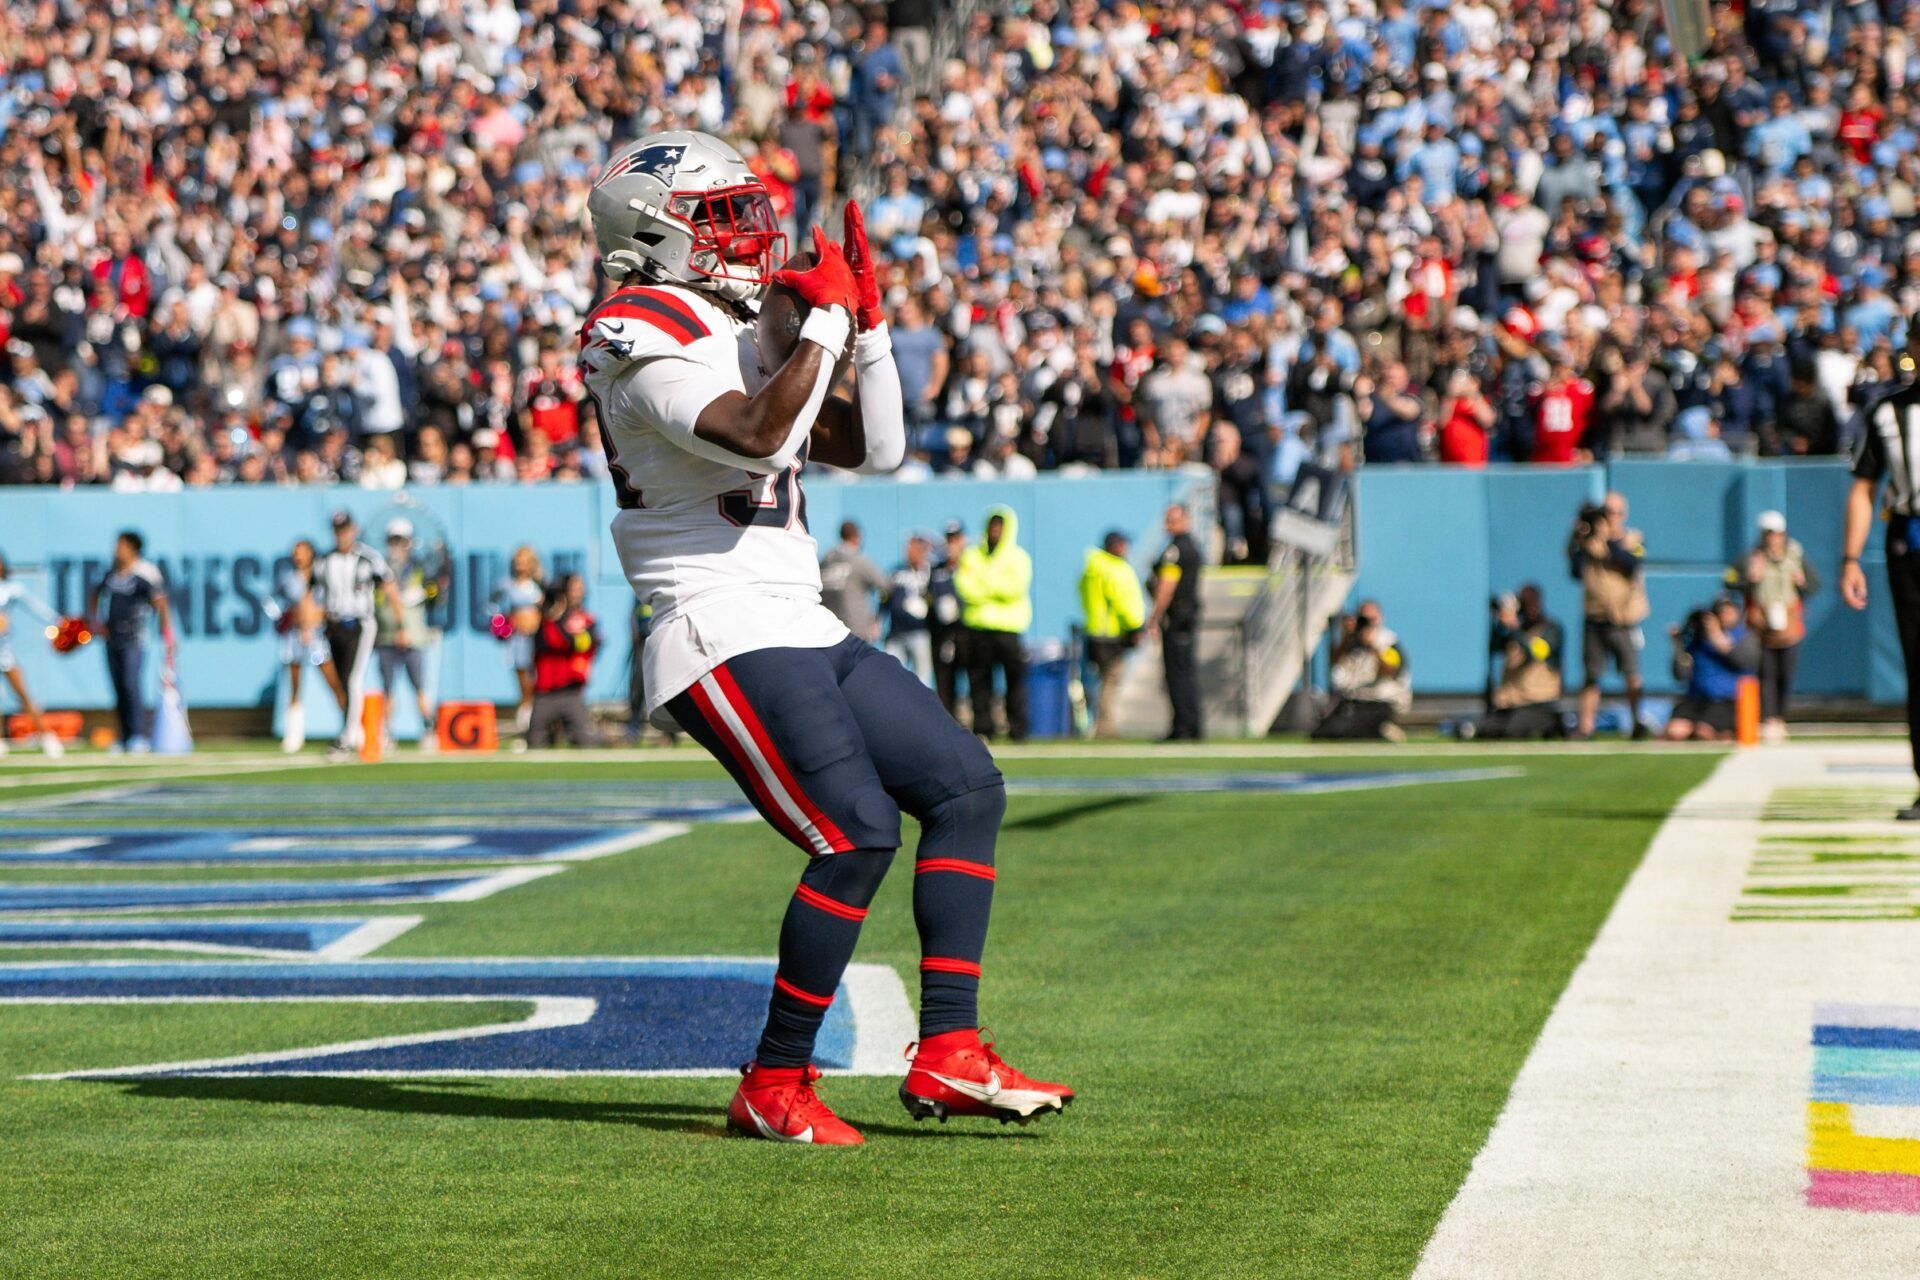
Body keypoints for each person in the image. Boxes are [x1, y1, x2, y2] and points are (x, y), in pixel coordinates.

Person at [579, 137, 1069, 1144]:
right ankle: (775, 1078)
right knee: (851, 831)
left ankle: (951, 1049)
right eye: (721, 219)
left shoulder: (734, 322)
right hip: (714, 623)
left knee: (965, 785)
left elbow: (874, 447)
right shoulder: (634, 324)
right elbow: (758, 432)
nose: (749, 239)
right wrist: (826, 325)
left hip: (795, 614)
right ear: (655, 232)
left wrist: (869, 334)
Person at [1843, 365, 1920, 815]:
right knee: (1918, 664)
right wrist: (1851, 558)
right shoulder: (1890, 411)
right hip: (1910, 544)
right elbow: (1863, 487)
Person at [314, 511, 404, 759]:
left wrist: (400, 623)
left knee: (353, 680)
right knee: (342, 682)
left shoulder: (368, 558)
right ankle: (360, 730)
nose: (341, 535)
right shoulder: (324, 560)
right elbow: (314, 595)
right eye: (337, 530)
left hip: (359, 624)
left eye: (345, 529)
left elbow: (389, 585)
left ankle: (346, 738)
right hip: (332, 626)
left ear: (354, 529)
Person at [1569, 492, 1650, 739]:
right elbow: (1575, 570)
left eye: (1615, 513)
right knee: (1592, 674)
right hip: (1595, 617)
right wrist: (1578, 536)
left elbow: (1629, 563)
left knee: (1631, 674)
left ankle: (1637, 721)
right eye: (1606, 512)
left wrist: (1611, 538)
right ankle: (1586, 726)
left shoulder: (1632, 537)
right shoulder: (1590, 543)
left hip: (1623, 619)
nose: (1610, 518)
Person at [86, 530, 175, 753]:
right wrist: (95, 622)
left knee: (130, 684)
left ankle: (138, 735)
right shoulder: (112, 572)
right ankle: (124, 736)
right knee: (118, 687)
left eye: (121, 545)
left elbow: (161, 603)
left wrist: (168, 635)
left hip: (135, 638)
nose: (116, 549)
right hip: (112, 637)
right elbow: (95, 594)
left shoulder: (146, 572)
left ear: (132, 548)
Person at [954, 505, 1033, 741]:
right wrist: (992, 589)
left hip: (1008, 629)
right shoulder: (972, 555)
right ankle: (983, 727)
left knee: (1014, 682)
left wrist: (984, 587)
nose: (995, 531)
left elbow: (1014, 589)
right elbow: (965, 587)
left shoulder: (1018, 557)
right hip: (978, 629)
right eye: (993, 526)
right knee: (979, 682)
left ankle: (1017, 728)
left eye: (1000, 526)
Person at [1742, 511, 1815, 743]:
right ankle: (1768, 718)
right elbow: (1730, 581)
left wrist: (1802, 583)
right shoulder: (1753, 557)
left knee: (1785, 673)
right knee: (1766, 674)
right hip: (1762, 624)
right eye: (1769, 534)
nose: (1774, 538)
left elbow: (1814, 584)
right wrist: (1750, 578)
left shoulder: (1795, 556)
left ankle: (1780, 717)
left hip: (1789, 622)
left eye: (1777, 534)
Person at [268, 538, 342, 754]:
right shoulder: (287, 578)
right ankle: (294, 734)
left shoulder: (321, 576)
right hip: (294, 638)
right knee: (294, 685)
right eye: (295, 552)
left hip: (317, 638)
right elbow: (270, 602)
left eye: (302, 551)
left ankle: (351, 728)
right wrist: (285, 617)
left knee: (334, 682)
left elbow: (331, 602)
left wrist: (322, 619)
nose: (298, 556)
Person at [374, 519, 438, 752]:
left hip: (414, 637)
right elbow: (375, 602)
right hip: (387, 636)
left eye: (401, 541)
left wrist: (427, 591)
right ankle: (386, 732)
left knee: (420, 688)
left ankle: (429, 729)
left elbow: (435, 595)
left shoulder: (420, 568)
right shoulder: (380, 570)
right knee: (388, 689)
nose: (397, 546)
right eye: (394, 540)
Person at [1472, 585, 1565, 740]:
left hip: (1538, 703)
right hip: (1511, 703)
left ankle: (1553, 724)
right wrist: (1500, 623)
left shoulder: (1550, 629)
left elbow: (1536, 653)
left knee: (1514, 731)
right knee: (1483, 731)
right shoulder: (1514, 632)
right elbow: (1494, 648)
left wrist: (1514, 627)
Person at [1079, 530, 1147, 738]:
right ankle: (1104, 726)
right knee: (1111, 680)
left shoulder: (1092, 567)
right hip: (1113, 633)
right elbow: (1123, 601)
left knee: (1100, 681)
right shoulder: (1114, 568)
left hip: (1095, 631)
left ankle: (1096, 722)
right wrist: (1136, 626)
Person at [1665, 596, 1762, 741]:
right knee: (1675, 731)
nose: (1725, 615)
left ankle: (1725, 732)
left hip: (1729, 701)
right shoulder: (1698, 644)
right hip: (1698, 700)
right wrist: (1678, 646)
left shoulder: (1744, 637)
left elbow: (1743, 662)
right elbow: (1680, 674)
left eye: (1729, 611)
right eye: (1721, 612)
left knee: (1703, 732)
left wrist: (1717, 636)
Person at [1313, 600, 1411, 740]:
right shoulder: (1352, 641)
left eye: (1370, 619)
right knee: (1323, 732)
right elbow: (1334, 662)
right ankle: (1378, 731)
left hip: (1380, 701)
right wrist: (1346, 637)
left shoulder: (1388, 641)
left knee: (1345, 731)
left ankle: (1382, 728)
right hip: (1354, 701)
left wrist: (1372, 646)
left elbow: (1390, 671)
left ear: (1380, 618)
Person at [1149, 504, 1204, 741]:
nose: (1167, 525)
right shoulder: (1191, 547)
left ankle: (1184, 727)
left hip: (1177, 618)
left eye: (1172, 519)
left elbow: (1167, 585)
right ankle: (1190, 725)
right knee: (1185, 673)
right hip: (1187, 617)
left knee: (1178, 675)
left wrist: (1155, 616)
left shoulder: (1176, 550)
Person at [0, 550, 63, 757]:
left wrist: (58, 621)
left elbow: (37, 608)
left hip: (4, 652)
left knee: (23, 694)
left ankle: (46, 735)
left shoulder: (11, 589)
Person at [528, 574, 601, 748]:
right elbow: (534, 640)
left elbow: (574, 644)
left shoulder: (584, 620)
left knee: (585, 740)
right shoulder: (541, 622)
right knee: (535, 742)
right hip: (544, 692)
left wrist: (557, 621)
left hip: (570, 690)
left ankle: (603, 737)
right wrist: (542, 616)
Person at [496, 546, 546, 736]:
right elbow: (493, 606)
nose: (521, 563)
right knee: (524, 684)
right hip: (518, 640)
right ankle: (525, 725)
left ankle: (541, 725)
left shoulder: (539, 584)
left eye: (525, 559)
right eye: (518, 559)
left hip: (538, 639)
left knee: (539, 682)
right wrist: (503, 624)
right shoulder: (507, 585)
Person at [819, 520, 889, 642]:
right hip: (855, 629)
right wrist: (876, 620)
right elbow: (885, 586)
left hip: (828, 629)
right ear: (857, 537)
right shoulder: (859, 561)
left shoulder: (825, 560)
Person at [884, 531, 934, 685]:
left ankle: (921, 709)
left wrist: (926, 602)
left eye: (915, 548)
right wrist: (878, 620)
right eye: (909, 548)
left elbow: (936, 599)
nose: (910, 551)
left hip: (920, 632)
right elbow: (885, 598)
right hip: (896, 633)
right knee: (892, 677)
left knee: (922, 680)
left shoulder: (929, 572)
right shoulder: (896, 572)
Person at [928, 522, 967, 716]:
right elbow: (929, 594)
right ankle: (948, 722)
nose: (952, 544)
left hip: (967, 630)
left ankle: (980, 726)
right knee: (944, 680)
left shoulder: (971, 564)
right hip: (943, 633)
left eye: (956, 539)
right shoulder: (938, 569)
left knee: (974, 678)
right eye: (949, 539)